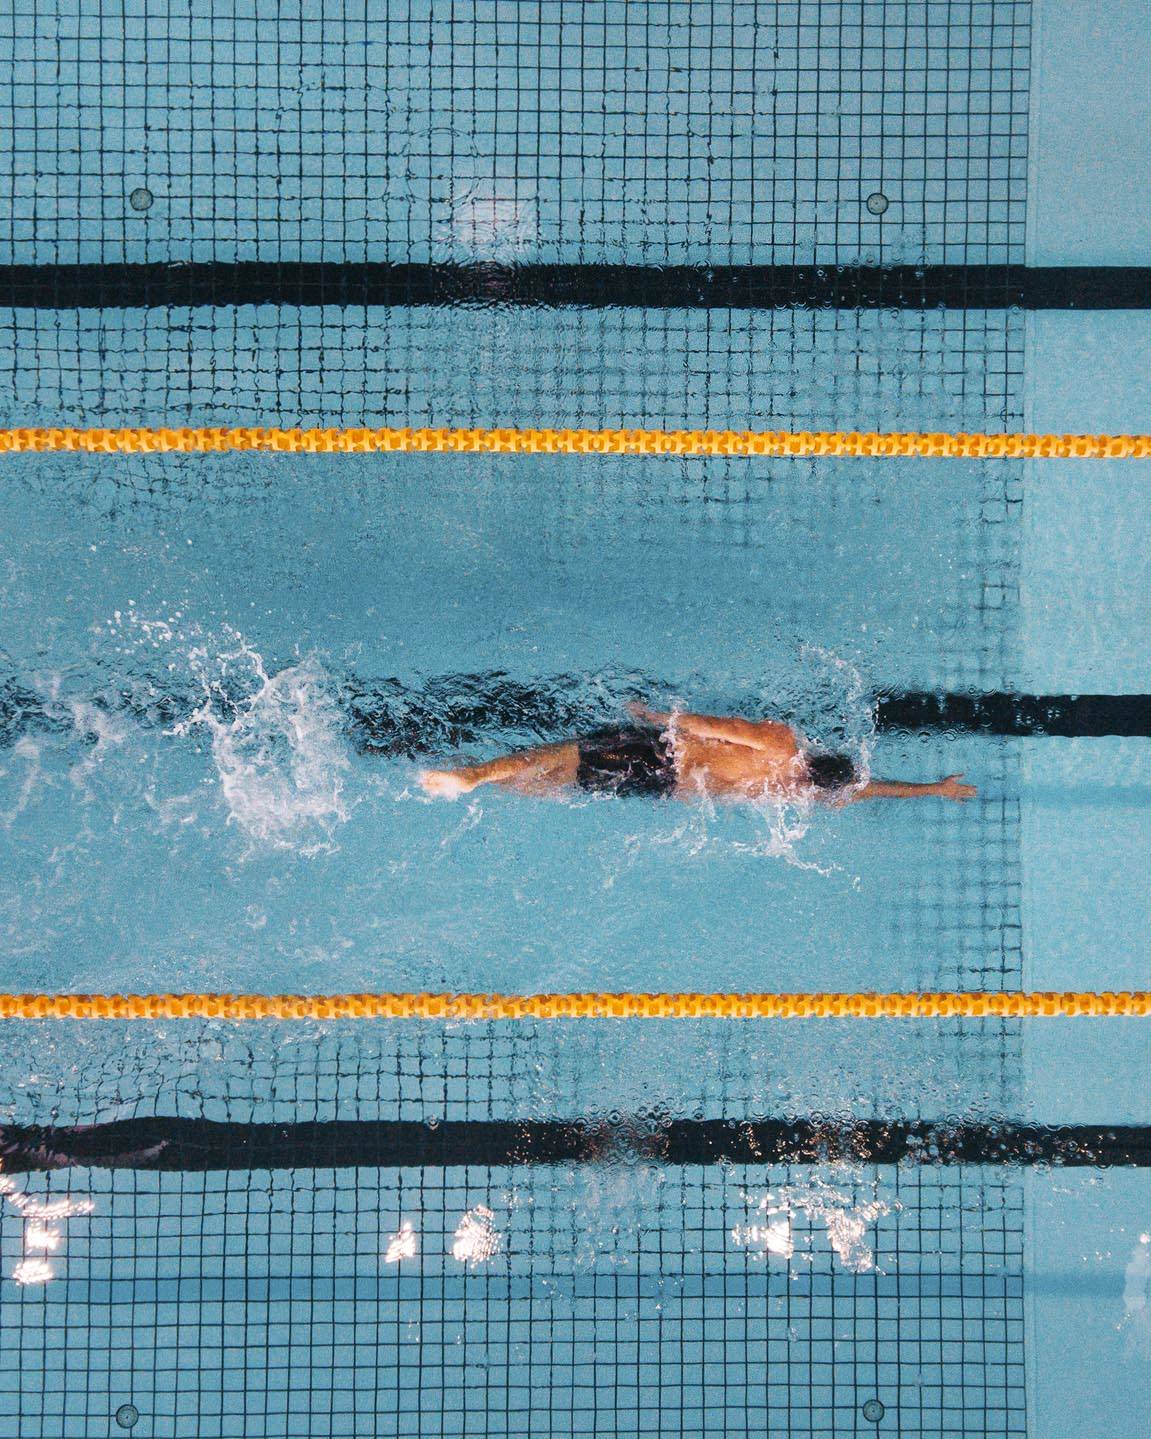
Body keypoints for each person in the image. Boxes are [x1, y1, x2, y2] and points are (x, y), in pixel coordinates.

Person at [418, 702, 976, 804]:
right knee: (552, 784)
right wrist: (933, 789)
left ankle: (473, 774)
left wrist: (662, 719)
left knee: (556, 755)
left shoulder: (785, 747)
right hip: (660, 788)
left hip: (660, 754)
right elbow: (863, 790)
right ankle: (485, 784)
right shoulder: (791, 791)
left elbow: (722, 727)